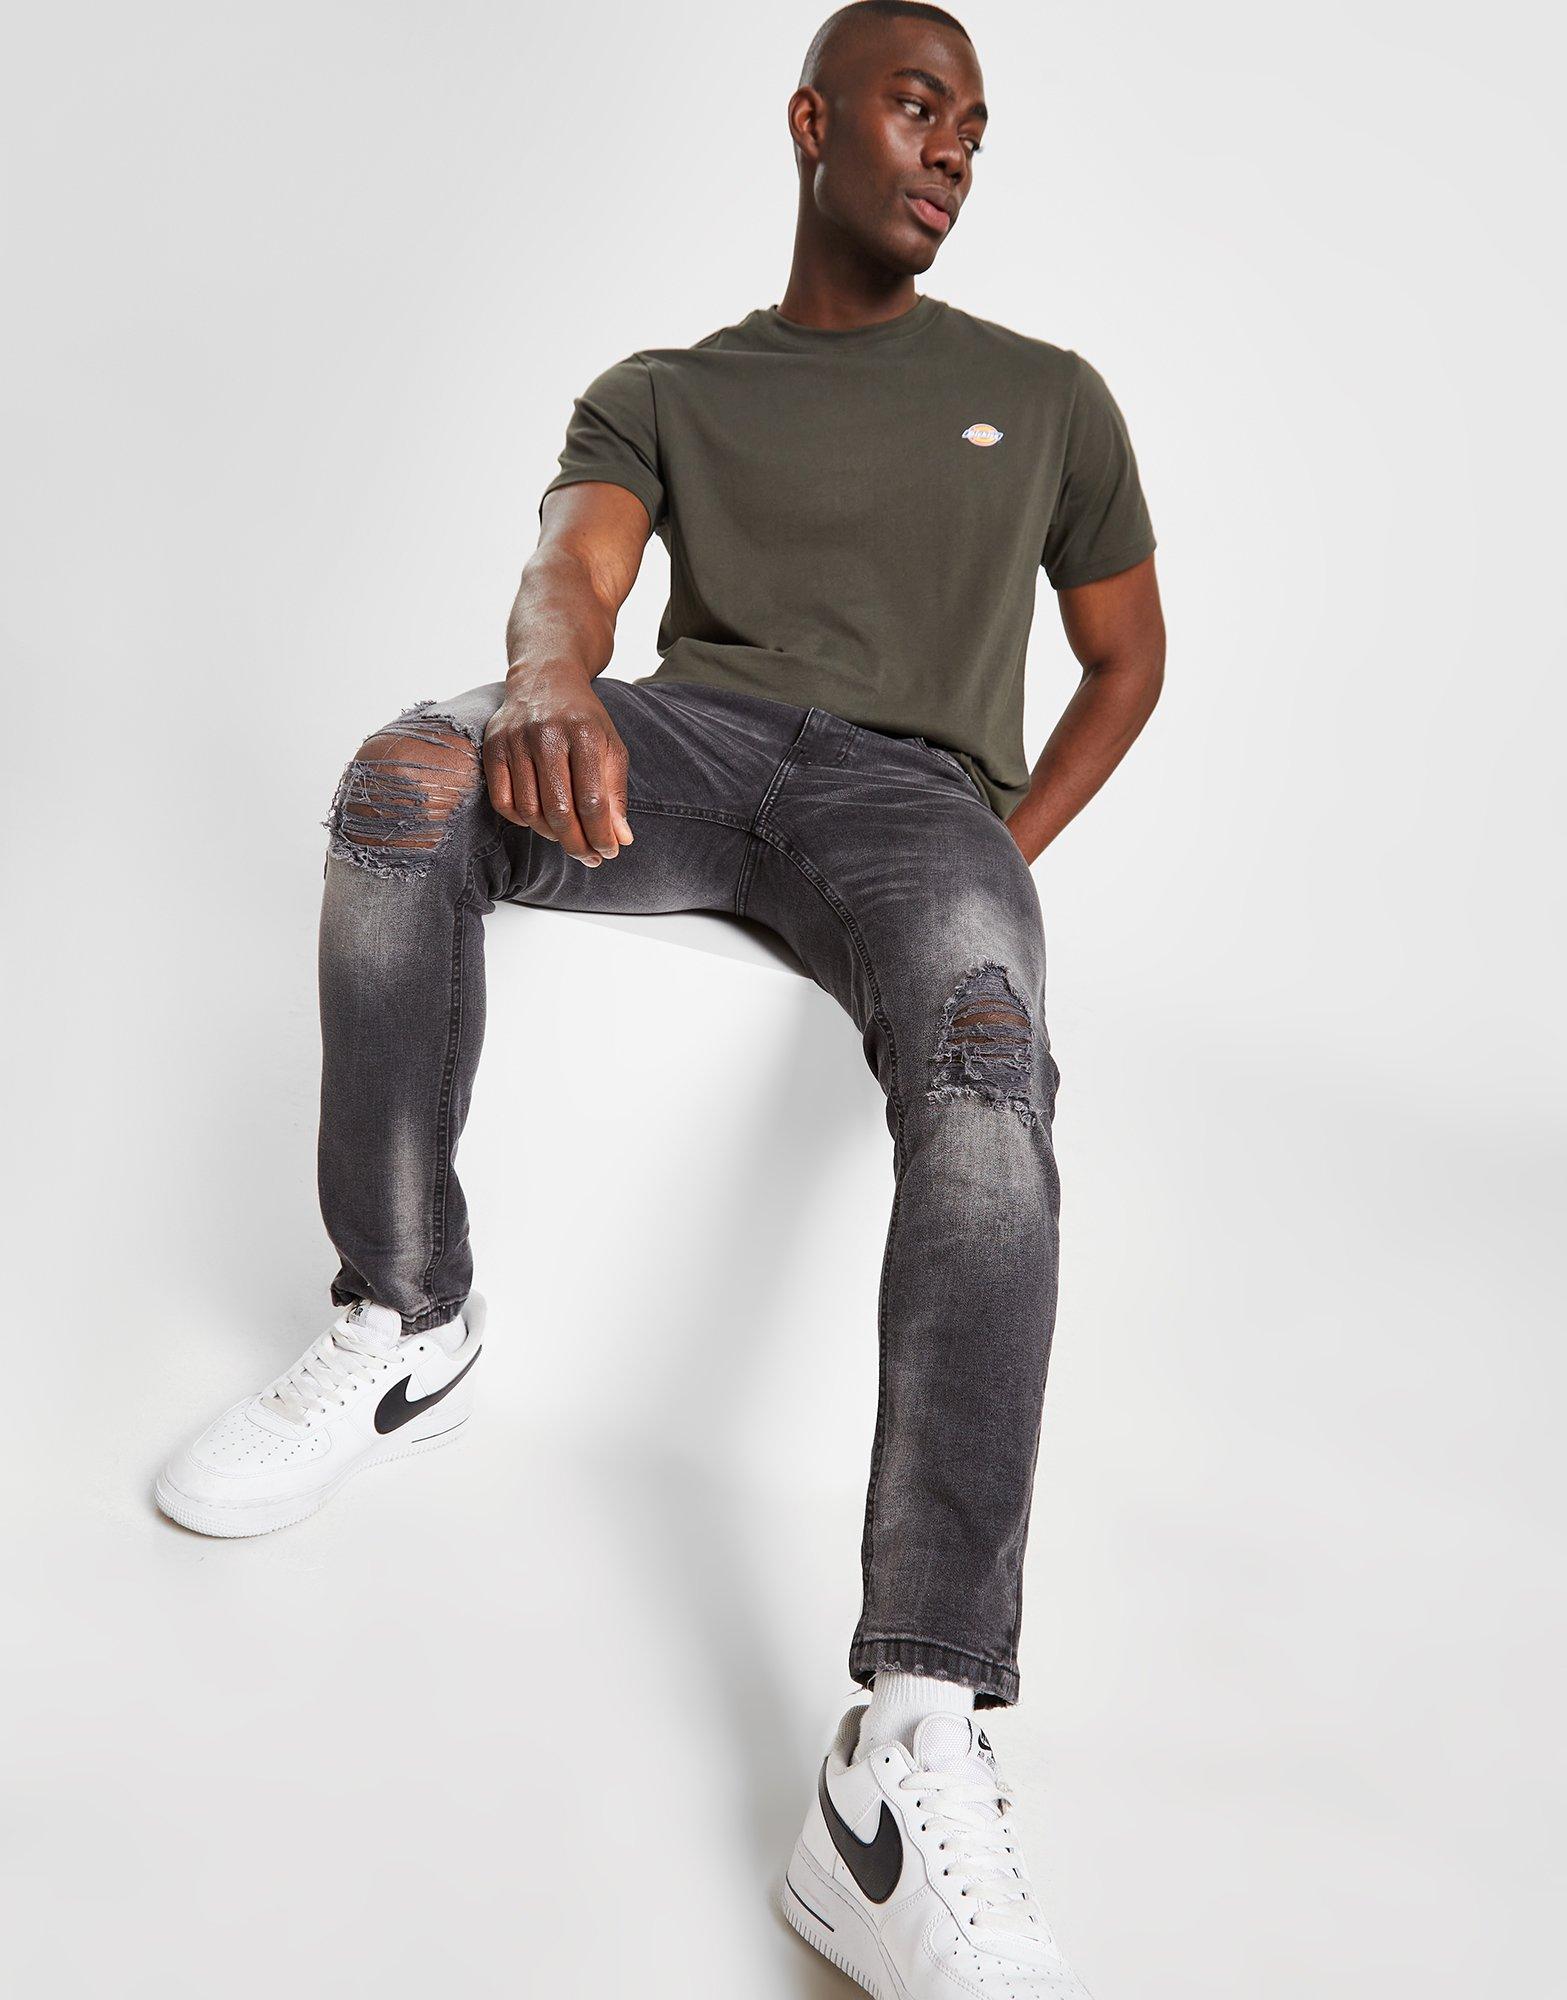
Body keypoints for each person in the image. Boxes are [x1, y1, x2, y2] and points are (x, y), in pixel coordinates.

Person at [156, 3, 1164, 1991]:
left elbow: (1127, 660)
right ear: (810, 121)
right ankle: (404, 1317)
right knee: (405, 782)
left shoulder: (1048, 396)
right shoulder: (667, 388)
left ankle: (909, 1741)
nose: (951, 149)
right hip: (690, 746)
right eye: (914, 105)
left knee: (986, 1061)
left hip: (914, 802)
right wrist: (547, 684)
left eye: (974, 125)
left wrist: (993, 856)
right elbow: (575, 566)